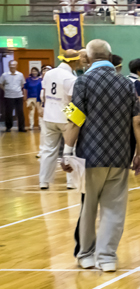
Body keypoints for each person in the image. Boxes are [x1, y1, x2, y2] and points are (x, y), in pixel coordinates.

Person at [59, 39, 140, 272]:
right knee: (114, 209)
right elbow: (138, 121)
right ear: (110, 57)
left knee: (88, 208)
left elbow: (75, 119)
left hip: (89, 157)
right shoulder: (127, 84)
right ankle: (107, 257)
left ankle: (86, 254)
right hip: (119, 157)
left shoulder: (83, 82)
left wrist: (66, 152)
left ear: (89, 57)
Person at [39, 50, 84, 190]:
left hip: (49, 116)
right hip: (64, 117)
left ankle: (43, 181)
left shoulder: (49, 74)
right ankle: (71, 182)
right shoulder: (70, 78)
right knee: (70, 149)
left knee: (48, 150)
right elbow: (71, 103)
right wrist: (78, 120)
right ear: (73, 61)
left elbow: (45, 95)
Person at [2, 60, 26, 132]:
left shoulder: (20, 75)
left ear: (16, 66)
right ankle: (8, 127)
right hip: (8, 96)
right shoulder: (4, 75)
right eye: (11, 65)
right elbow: (1, 84)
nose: (13, 66)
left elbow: (22, 84)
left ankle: (21, 127)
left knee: (20, 112)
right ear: (9, 66)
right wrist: (6, 90)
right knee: (8, 112)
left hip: (19, 96)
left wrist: (23, 94)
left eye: (14, 65)